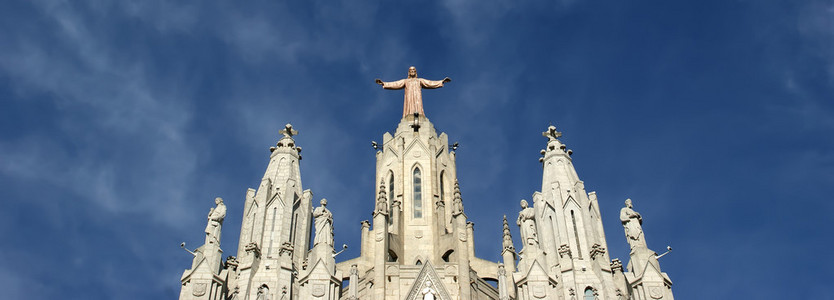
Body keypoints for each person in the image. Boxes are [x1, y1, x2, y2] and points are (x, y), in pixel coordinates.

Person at [376, 66, 451, 118]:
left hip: (417, 98)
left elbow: (430, 83)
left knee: (418, 105)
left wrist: (442, 81)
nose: (412, 71)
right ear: (409, 72)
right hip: (409, 97)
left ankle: (419, 115)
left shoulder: (419, 80)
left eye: (413, 70)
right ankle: (409, 115)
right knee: (409, 106)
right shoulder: (405, 81)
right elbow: (396, 84)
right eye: (411, 71)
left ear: (415, 72)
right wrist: (384, 83)